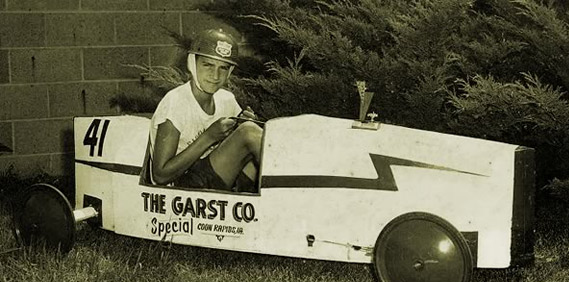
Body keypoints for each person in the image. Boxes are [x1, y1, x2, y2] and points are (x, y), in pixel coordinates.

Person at [149, 29, 262, 192]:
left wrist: (243, 123)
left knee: (253, 138)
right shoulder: (175, 102)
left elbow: (236, 146)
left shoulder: (226, 99)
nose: (215, 75)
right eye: (208, 65)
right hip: (181, 189)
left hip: (213, 180)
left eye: (223, 68)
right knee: (249, 133)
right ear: (192, 63)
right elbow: (160, 176)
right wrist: (208, 137)